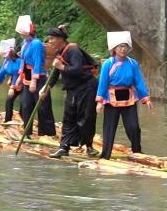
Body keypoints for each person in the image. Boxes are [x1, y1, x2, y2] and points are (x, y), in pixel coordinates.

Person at [43, 26, 99, 158]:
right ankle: (64, 147)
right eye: (49, 38)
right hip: (72, 89)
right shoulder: (59, 53)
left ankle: (89, 146)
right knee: (68, 117)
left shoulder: (73, 50)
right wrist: (46, 88)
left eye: (52, 38)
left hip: (86, 87)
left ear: (61, 39)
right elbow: (55, 74)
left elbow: (77, 70)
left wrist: (61, 66)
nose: (49, 41)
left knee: (86, 117)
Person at [95, 31, 152, 160]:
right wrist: (100, 101)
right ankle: (105, 156)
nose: (123, 49)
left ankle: (137, 151)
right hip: (111, 98)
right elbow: (103, 83)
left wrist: (146, 98)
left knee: (134, 127)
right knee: (109, 128)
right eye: (120, 46)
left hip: (129, 97)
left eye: (125, 46)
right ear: (114, 49)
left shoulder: (132, 63)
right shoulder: (108, 64)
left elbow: (139, 81)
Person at [15, 15, 56, 137]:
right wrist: (19, 77)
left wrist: (34, 80)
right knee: (25, 106)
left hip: (38, 77)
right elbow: (23, 60)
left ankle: (47, 134)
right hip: (26, 75)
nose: (20, 35)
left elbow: (38, 61)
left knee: (42, 107)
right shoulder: (24, 43)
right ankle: (27, 132)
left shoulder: (36, 43)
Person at [0, 38, 22, 123]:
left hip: (22, 83)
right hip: (14, 82)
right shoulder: (7, 61)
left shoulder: (19, 61)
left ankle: (24, 120)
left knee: (24, 104)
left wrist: (12, 88)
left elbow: (17, 73)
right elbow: (2, 71)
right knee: (9, 101)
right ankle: (8, 120)